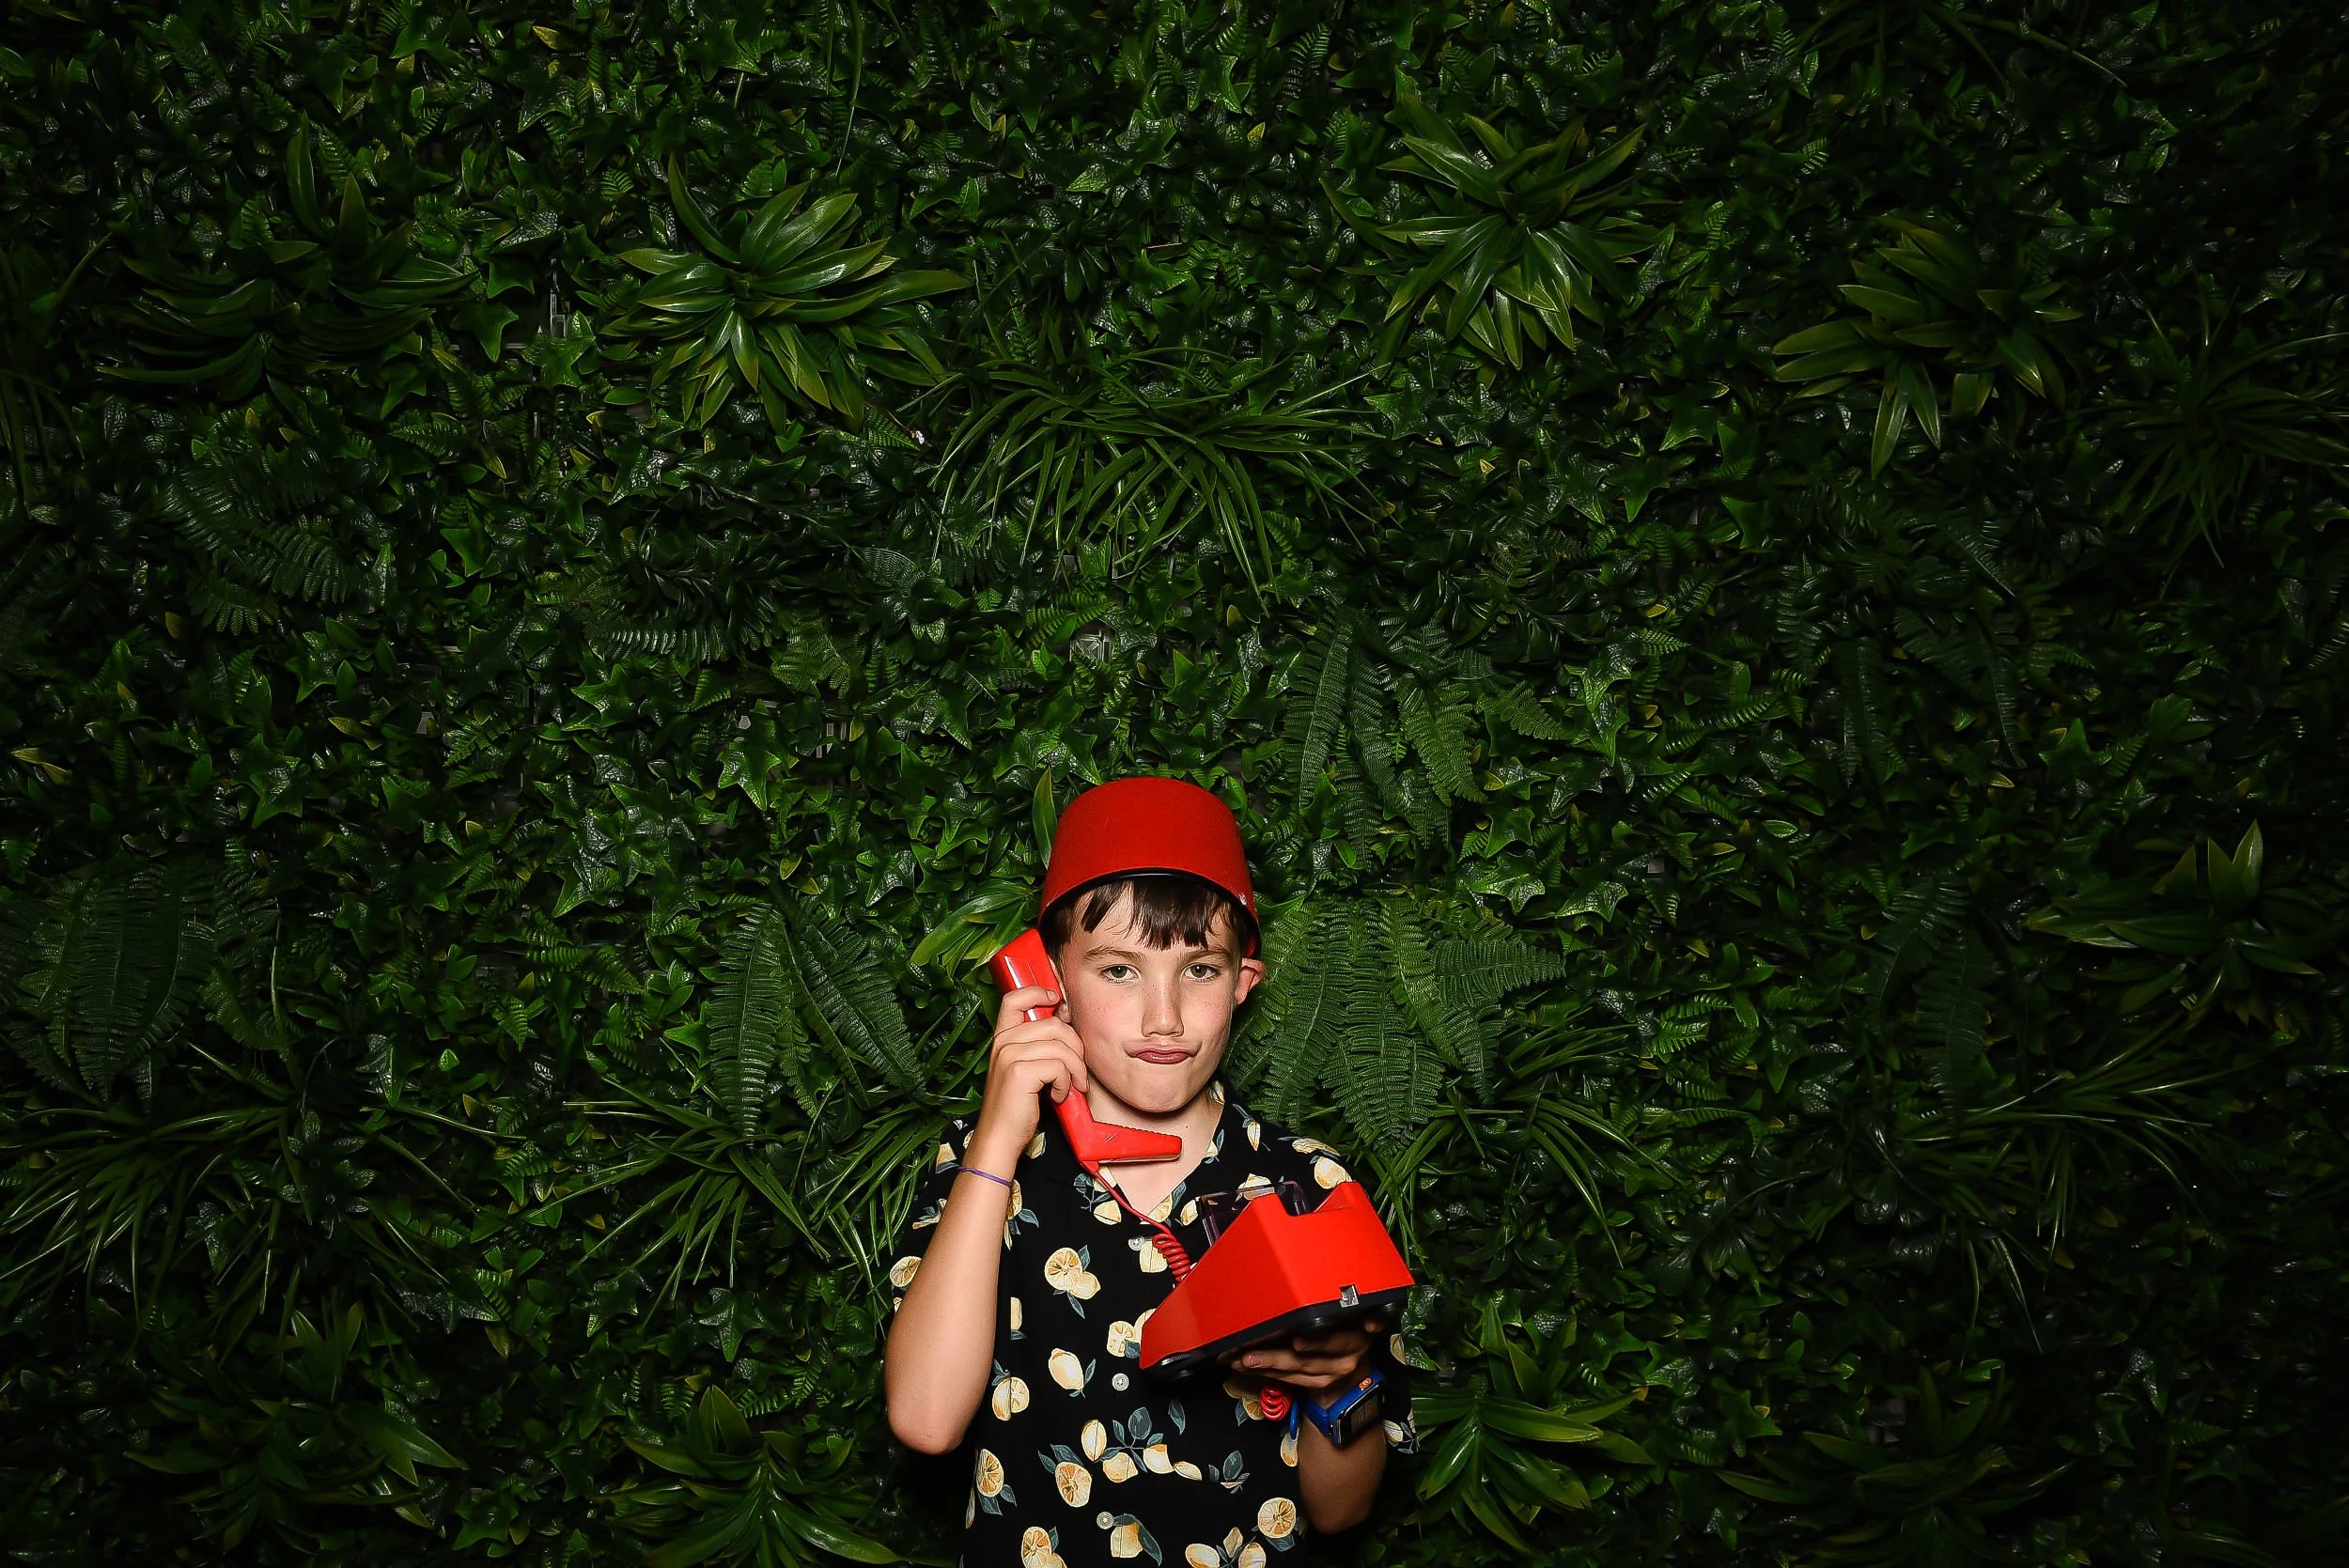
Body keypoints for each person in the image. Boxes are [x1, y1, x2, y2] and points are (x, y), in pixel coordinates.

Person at [883, 776, 1417, 1567]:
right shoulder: (983, 1165)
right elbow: (926, 1419)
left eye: (1199, 969)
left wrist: (1339, 1383)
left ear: (1244, 982)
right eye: (1119, 970)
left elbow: (1342, 1511)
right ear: (1051, 982)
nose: (1164, 1017)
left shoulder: (1310, 1185)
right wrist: (997, 1142)